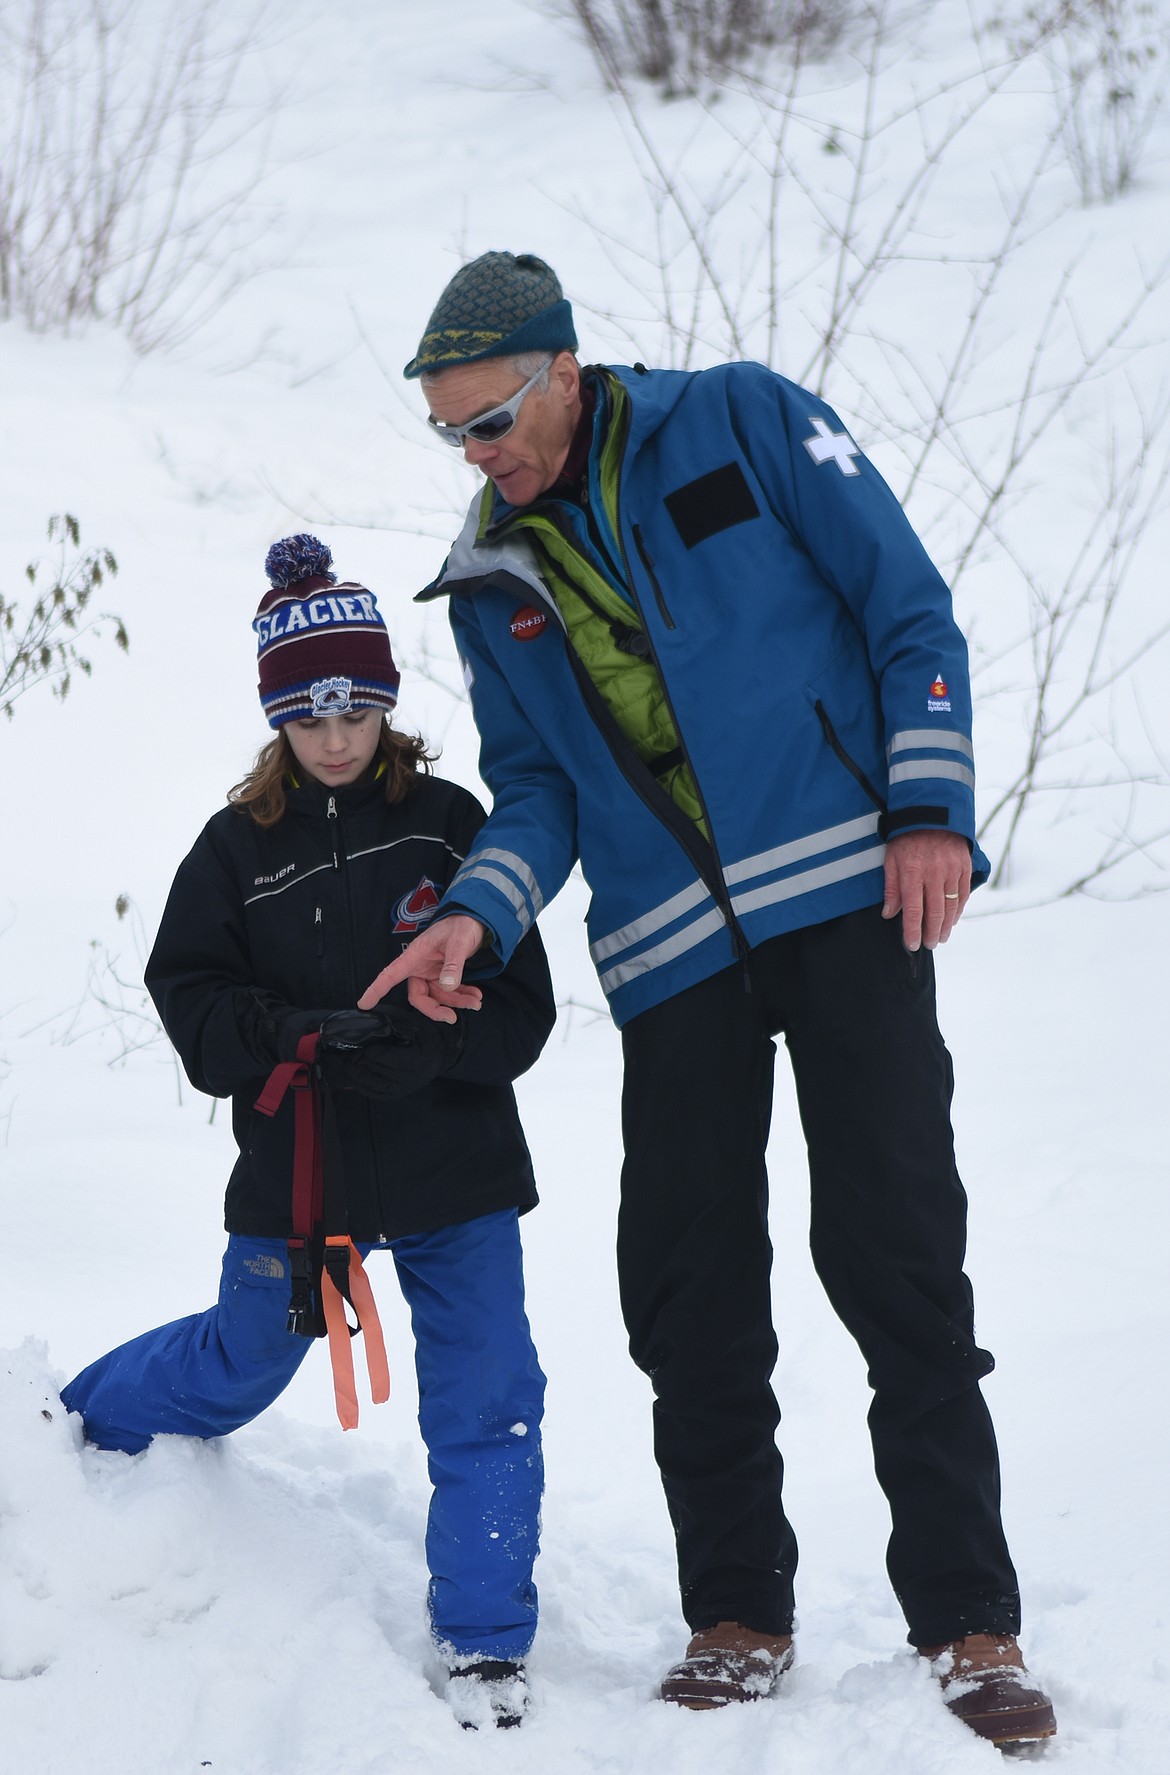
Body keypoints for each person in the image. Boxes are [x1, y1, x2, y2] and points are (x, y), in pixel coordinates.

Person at [359, 252, 1057, 1746]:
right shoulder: (490, 581)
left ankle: (967, 1615)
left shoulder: (740, 420)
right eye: (450, 435)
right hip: (670, 947)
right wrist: (474, 912)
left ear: (562, 368)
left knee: (894, 1251)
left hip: (847, 895)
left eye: (488, 420)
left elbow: (904, 608)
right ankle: (735, 1608)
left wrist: (929, 805)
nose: (475, 457)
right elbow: (536, 785)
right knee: (685, 1279)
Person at [61, 534, 555, 1731]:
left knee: (489, 1392)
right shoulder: (233, 853)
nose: (336, 734)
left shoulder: (449, 824)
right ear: (278, 715)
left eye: (358, 705)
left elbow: (524, 1007)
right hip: (302, 1176)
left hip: (456, 1170)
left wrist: (434, 1041)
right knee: (239, 1360)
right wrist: (295, 1036)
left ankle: (485, 1641)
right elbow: (192, 1001)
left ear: (386, 699)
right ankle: (69, 1425)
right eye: (310, 712)